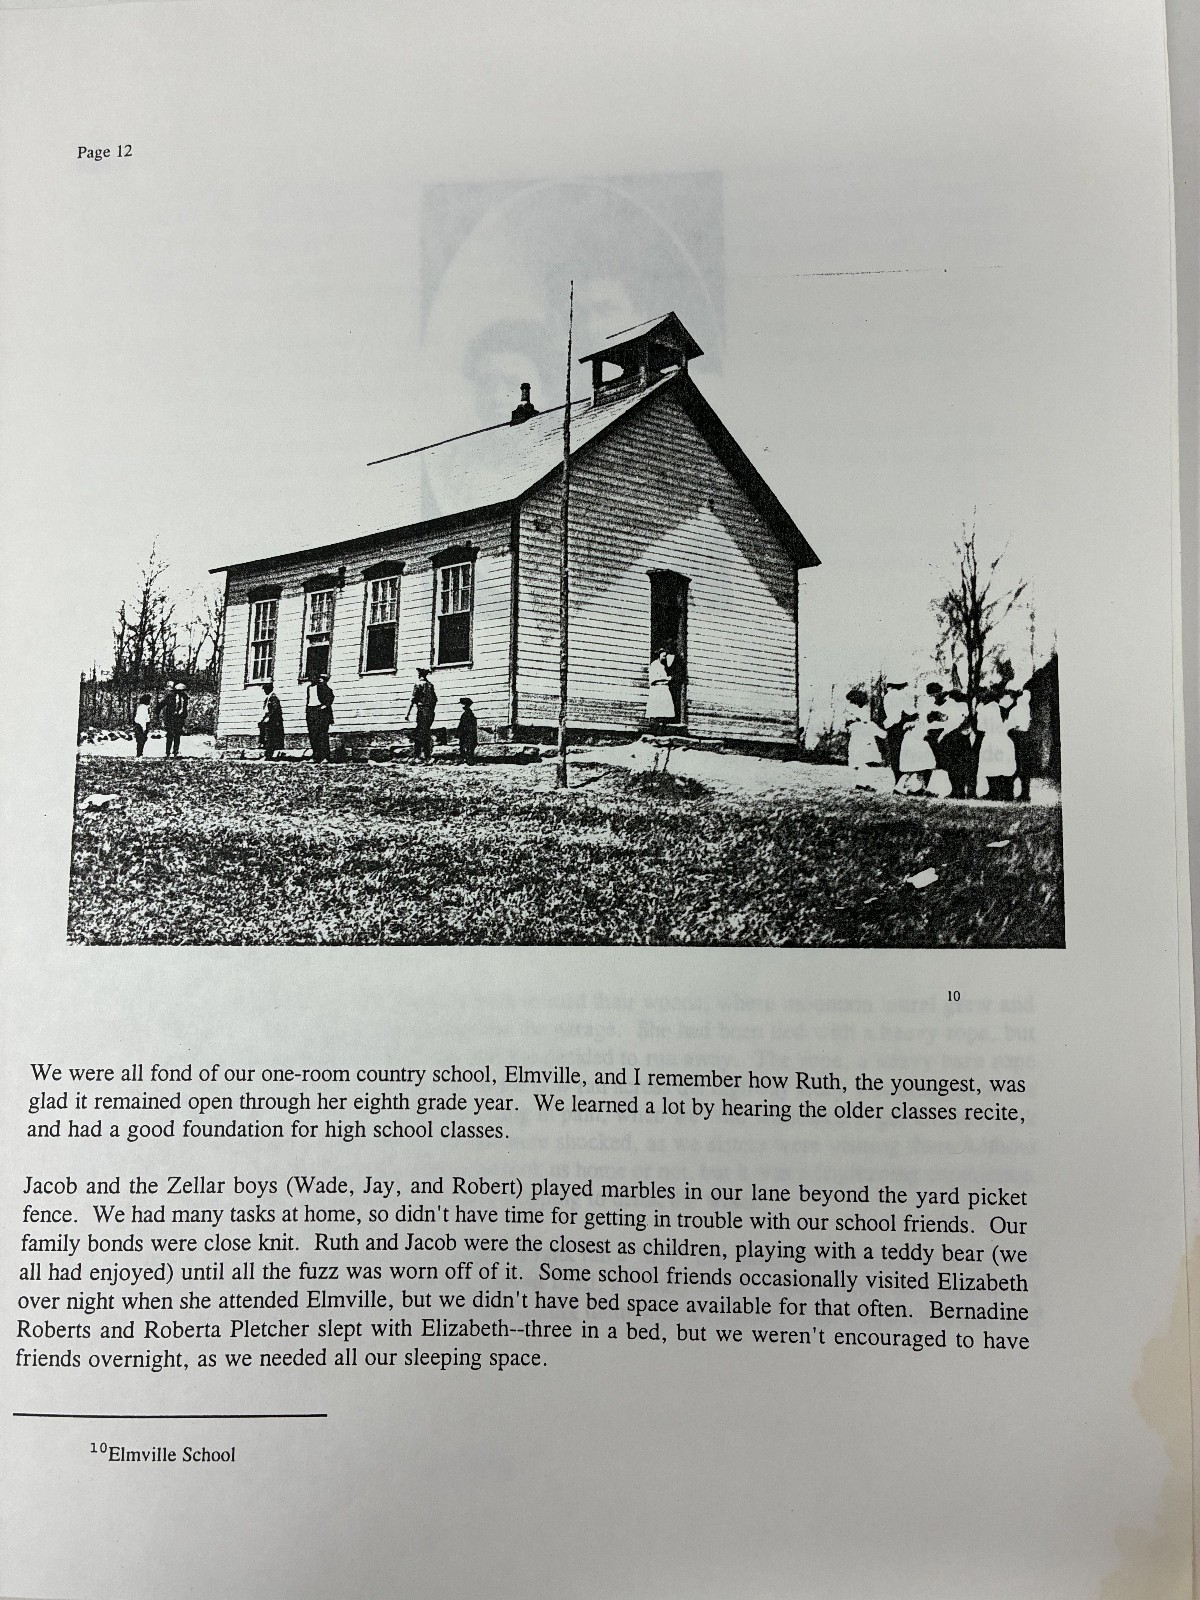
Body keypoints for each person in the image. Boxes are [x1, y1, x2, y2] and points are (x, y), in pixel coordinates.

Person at [897, 683, 943, 795]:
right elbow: (925, 719)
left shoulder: (924, 703)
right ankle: (901, 787)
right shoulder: (930, 703)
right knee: (919, 764)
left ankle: (919, 788)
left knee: (922, 764)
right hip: (918, 736)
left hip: (919, 735)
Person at [975, 688, 1016, 799]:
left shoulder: (985, 708)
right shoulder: (1001, 708)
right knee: (1004, 766)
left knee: (991, 766)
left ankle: (994, 792)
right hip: (1004, 738)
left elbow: (980, 727)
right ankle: (1008, 793)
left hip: (991, 739)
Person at [844, 688, 887, 789]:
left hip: (860, 740)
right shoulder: (857, 713)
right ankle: (864, 784)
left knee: (862, 763)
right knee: (864, 763)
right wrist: (882, 733)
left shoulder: (854, 712)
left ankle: (861, 783)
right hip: (863, 741)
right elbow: (867, 724)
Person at [883, 679, 914, 784]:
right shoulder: (901, 695)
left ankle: (898, 780)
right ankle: (903, 782)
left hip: (891, 727)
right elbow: (908, 711)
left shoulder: (887, 696)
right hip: (900, 726)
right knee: (903, 753)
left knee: (894, 754)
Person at [1008, 679, 1034, 801]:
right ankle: (1025, 792)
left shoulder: (1016, 709)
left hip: (1017, 736)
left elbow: (1013, 724)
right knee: (1024, 765)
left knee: (1017, 764)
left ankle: (1010, 791)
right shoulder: (1026, 707)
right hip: (1025, 735)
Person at [406, 667, 438, 762]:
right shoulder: (430, 685)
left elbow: (413, 700)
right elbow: (435, 700)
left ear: (420, 675)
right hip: (430, 713)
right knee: (425, 733)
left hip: (422, 712)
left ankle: (420, 757)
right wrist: (430, 709)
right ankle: (425, 756)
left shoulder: (418, 685)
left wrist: (407, 714)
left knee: (419, 734)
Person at [305, 671, 335, 763]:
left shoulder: (322, 686)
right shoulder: (309, 688)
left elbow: (331, 696)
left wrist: (325, 705)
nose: (312, 679)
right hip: (311, 711)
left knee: (322, 735)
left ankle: (325, 757)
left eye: (313, 677)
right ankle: (316, 756)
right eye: (310, 677)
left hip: (320, 712)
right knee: (313, 735)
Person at [156, 681, 189, 758]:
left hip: (179, 719)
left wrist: (184, 717)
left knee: (177, 735)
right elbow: (161, 705)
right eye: (180, 691)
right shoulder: (170, 697)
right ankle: (167, 752)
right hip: (171, 719)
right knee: (170, 735)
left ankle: (175, 752)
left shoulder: (185, 697)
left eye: (183, 691)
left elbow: (185, 708)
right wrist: (157, 715)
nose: (182, 692)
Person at [646, 650, 676, 723]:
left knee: (664, 710)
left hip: (663, 689)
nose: (664, 658)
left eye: (665, 656)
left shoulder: (663, 666)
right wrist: (666, 678)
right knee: (656, 710)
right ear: (659, 655)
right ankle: (655, 728)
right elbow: (653, 679)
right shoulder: (654, 665)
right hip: (657, 689)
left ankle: (662, 727)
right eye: (663, 656)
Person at [258, 681, 285, 760]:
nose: (264, 691)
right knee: (266, 737)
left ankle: (268, 755)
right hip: (269, 720)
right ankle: (267, 752)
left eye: (265, 689)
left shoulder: (273, 698)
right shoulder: (268, 698)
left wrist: (268, 718)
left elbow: (274, 710)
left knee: (270, 738)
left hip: (273, 721)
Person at [457, 697, 478, 762]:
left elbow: (465, 725)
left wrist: (461, 732)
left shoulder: (467, 714)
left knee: (468, 746)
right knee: (465, 746)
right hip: (466, 733)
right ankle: (465, 758)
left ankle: (469, 759)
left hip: (467, 733)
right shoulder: (468, 713)